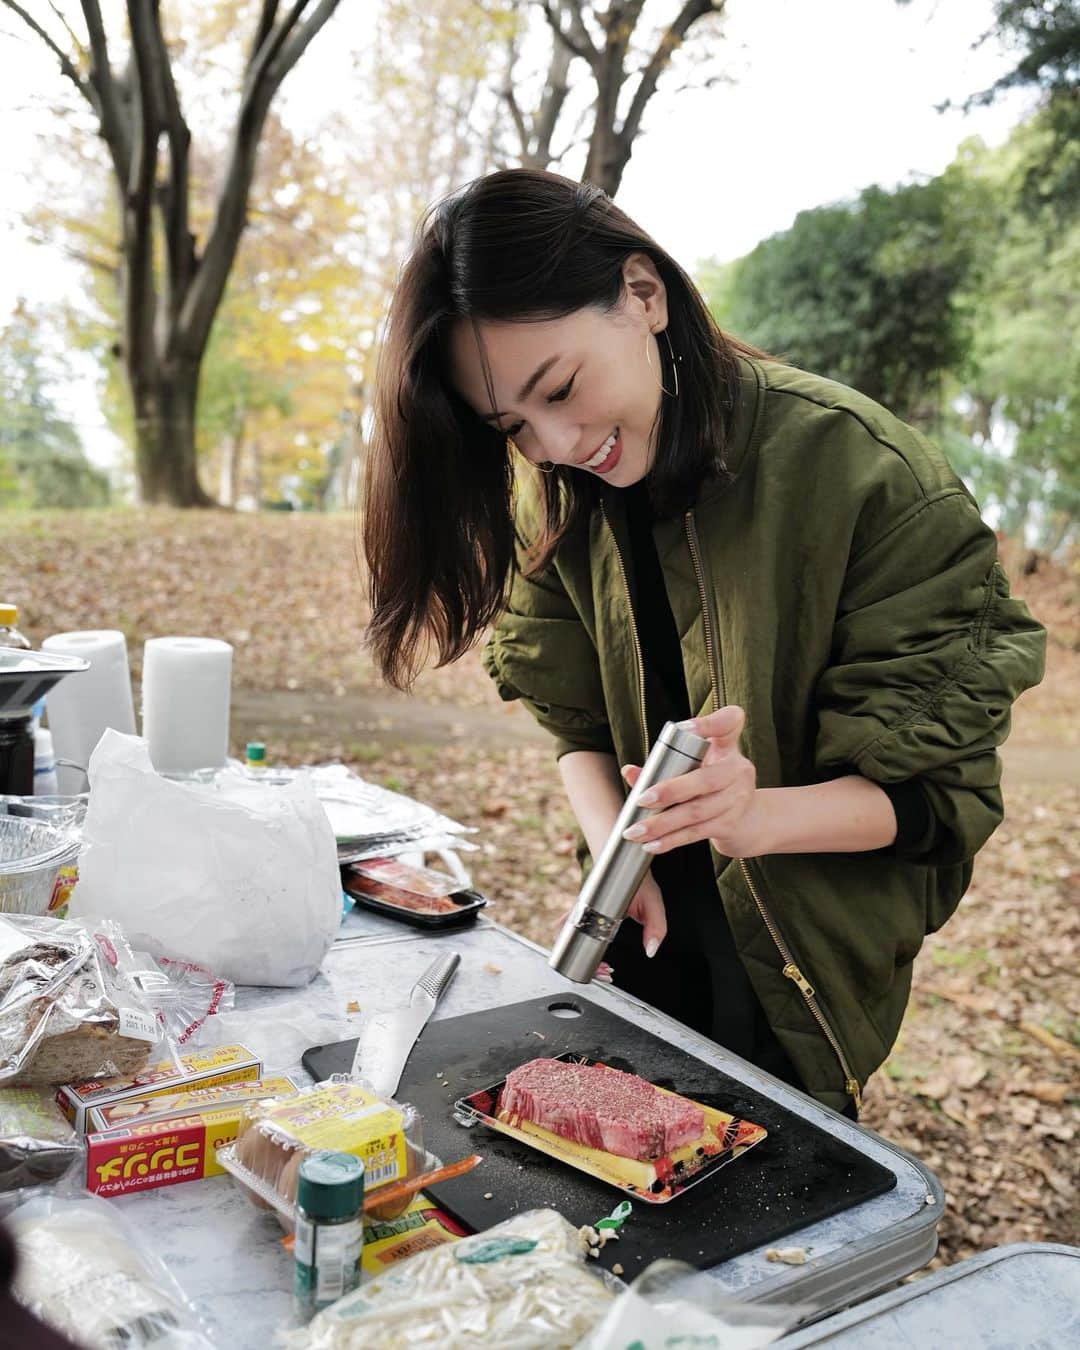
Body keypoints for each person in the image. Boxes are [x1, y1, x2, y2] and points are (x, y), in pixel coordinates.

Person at [362, 168, 1046, 1116]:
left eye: (560, 387)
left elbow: (940, 802)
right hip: (639, 937)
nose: (558, 443)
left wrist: (753, 815)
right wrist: (620, 855)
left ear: (643, 294)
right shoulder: (563, 496)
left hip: (801, 956)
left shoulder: (862, 472)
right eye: (513, 426)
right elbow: (579, 730)